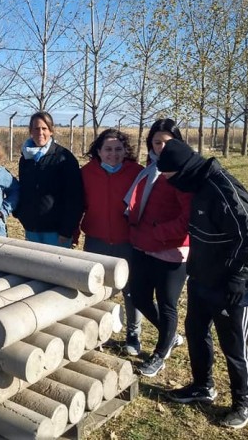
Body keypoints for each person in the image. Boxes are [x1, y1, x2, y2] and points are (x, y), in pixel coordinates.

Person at [157, 139, 248, 430]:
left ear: (183, 172)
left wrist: (236, 280)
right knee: (196, 332)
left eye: (171, 180)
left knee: (234, 346)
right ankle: (202, 386)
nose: (171, 186)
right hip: (202, 278)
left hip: (233, 285)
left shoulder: (222, 188)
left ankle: (244, 402)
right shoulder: (195, 186)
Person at [124, 118, 191, 377]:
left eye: (167, 142)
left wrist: (157, 233)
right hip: (143, 246)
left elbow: (187, 219)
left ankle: (159, 354)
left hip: (171, 250)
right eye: (156, 142)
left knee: (167, 304)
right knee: (139, 296)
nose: (161, 147)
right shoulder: (149, 170)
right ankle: (170, 335)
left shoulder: (183, 174)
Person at [79, 128, 144, 355]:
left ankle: (133, 333)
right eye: (108, 149)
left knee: (130, 289)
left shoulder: (138, 173)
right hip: (96, 240)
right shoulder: (86, 173)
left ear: (125, 151)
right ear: (98, 151)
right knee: (96, 288)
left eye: (118, 149)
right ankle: (97, 331)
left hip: (127, 241)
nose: (113, 154)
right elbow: (79, 205)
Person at [13, 111, 83, 246]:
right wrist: (21, 214)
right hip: (32, 229)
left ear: (51, 131)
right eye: (36, 128)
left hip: (57, 232)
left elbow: (75, 198)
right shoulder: (25, 158)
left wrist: (67, 231)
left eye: (44, 128)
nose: (40, 132)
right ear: (30, 131)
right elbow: (24, 190)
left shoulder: (64, 158)